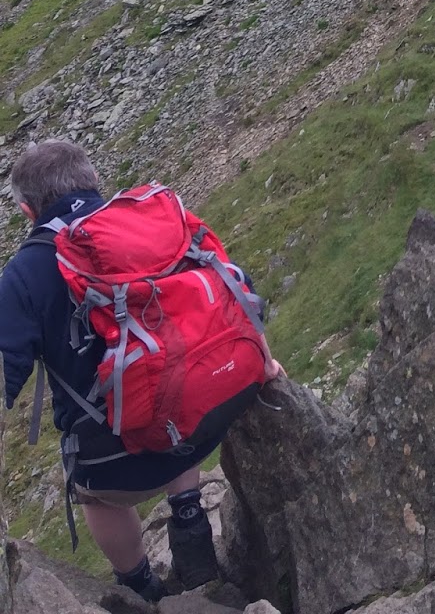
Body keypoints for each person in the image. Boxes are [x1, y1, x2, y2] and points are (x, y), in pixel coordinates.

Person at [0, 140, 283, 603]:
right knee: (174, 375)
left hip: (117, 467)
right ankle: (189, 511)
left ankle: (139, 586)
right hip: (210, 417)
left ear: (28, 211)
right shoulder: (151, 219)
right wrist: (265, 360)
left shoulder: (23, 275)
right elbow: (233, 283)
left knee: (90, 492)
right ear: (93, 181)